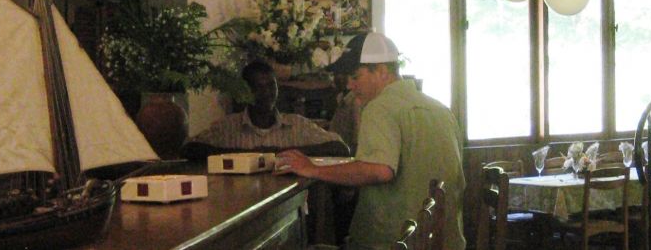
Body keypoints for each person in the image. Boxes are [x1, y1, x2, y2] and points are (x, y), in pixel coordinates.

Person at [278, 32, 465, 250]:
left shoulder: (380, 107)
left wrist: (312, 170)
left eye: (355, 77)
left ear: (382, 72)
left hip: (391, 244)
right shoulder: (440, 109)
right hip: (444, 243)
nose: (349, 85)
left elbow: (379, 170)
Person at [181, 60, 349, 159]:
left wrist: (284, 153)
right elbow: (189, 149)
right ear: (245, 90)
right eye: (258, 87)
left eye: (271, 86)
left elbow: (340, 148)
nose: (267, 93)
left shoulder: (296, 125)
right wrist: (243, 157)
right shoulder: (228, 127)